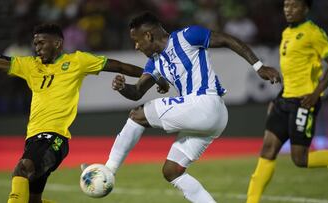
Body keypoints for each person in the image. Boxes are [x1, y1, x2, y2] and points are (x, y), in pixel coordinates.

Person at [0, 9, 168, 203]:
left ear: (57, 44)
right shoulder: (30, 65)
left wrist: (155, 76)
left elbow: (119, 66)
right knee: (33, 200)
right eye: (35, 44)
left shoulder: (76, 61)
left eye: (41, 43)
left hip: (54, 138)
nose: (37, 48)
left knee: (22, 169)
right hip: (33, 139)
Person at [99, 12, 280, 203]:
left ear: (148, 36)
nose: (136, 47)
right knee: (172, 171)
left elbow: (227, 40)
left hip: (205, 103)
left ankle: (108, 170)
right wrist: (122, 87)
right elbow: (137, 92)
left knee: (137, 115)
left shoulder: (187, 37)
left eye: (136, 41)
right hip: (212, 117)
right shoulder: (154, 62)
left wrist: (259, 66)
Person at [246, 0, 328, 202]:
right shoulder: (287, 32)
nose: (289, 9)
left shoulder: (313, 32)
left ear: (306, 8)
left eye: (294, 6)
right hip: (284, 99)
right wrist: (277, 99)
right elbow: (293, 74)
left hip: (304, 101)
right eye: (286, 5)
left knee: (300, 159)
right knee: (267, 149)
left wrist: (316, 93)